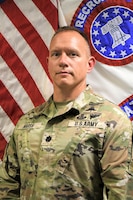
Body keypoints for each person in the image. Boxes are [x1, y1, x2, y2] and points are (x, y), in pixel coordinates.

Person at [0, 26, 132, 200]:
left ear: (89, 64)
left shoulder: (111, 120)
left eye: (72, 54)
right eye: (56, 54)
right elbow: (7, 189)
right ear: (48, 62)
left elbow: (123, 194)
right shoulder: (27, 123)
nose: (63, 61)